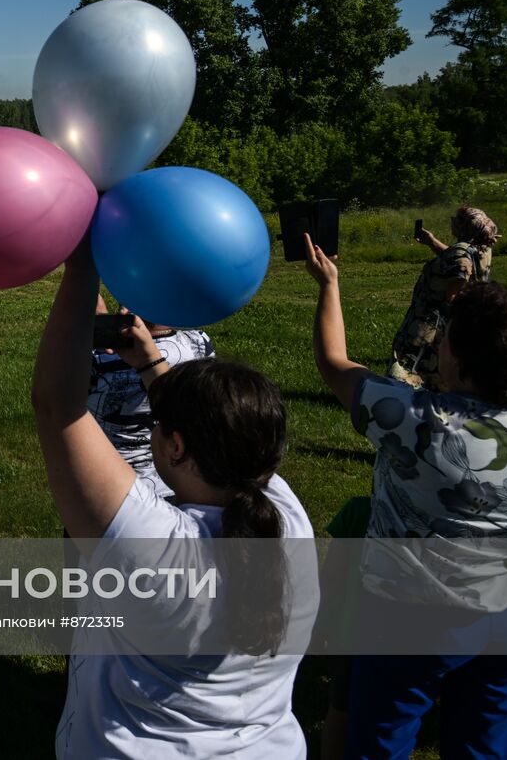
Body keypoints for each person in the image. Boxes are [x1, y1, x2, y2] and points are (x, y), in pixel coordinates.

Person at [33, 241, 316, 757]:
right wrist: (151, 364)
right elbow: (214, 427)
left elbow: (58, 409)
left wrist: (83, 263)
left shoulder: (156, 548)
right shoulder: (287, 518)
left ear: (177, 446)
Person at [306, 233, 507, 758]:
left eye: (446, 340)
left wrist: (329, 285)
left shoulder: (416, 422)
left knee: (383, 737)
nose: (436, 345)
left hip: (408, 615)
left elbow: (334, 362)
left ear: (462, 362)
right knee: (486, 739)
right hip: (502, 611)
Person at [88, 295, 215, 498]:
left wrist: (101, 328)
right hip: (177, 488)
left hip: (107, 492)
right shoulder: (199, 344)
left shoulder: (99, 357)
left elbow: (54, 403)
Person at [389, 206, 498, 389]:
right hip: (445, 324)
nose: (452, 222)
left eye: (457, 220)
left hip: (430, 324)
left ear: (464, 227)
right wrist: (432, 242)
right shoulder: (480, 249)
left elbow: (454, 292)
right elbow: (458, 259)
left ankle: (404, 401)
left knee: (413, 365)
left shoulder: (460, 254)